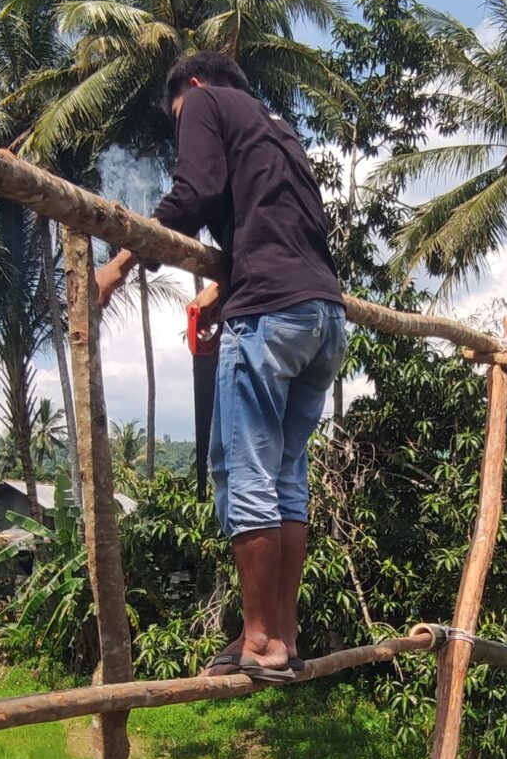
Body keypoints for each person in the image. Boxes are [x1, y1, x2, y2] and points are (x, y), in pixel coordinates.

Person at [94, 52, 345, 682]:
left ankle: (260, 641)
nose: (185, 124)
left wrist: (120, 263)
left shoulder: (203, 101)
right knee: (285, 475)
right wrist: (220, 289)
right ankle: (276, 635)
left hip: (270, 318)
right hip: (323, 318)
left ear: (195, 86)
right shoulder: (276, 127)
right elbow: (274, 230)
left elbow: (193, 191)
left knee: (243, 471)